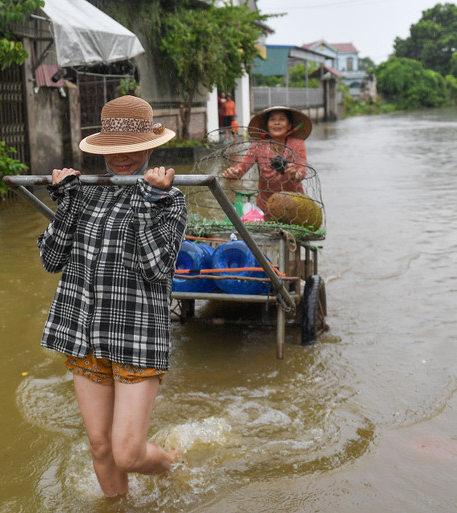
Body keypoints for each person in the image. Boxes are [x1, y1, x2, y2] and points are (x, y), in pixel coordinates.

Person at [37, 95, 187, 499]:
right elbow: (51, 259)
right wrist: (66, 199)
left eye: (133, 148)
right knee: (101, 446)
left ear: (150, 147)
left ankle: (173, 464)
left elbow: (154, 268)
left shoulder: (170, 199)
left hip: (136, 336)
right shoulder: (85, 192)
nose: (122, 158)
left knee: (126, 453)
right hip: (84, 330)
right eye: (114, 149)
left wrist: (149, 201)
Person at [221, 106, 312, 210]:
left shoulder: (297, 144)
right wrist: (233, 173)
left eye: (282, 119)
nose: (276, 123)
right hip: (266, 205)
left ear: (289, 126)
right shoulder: (258, 145)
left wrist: (294, 174)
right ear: (267, 126)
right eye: (272, 119)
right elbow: (242, 167)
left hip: (294, 204)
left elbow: (301, 172)